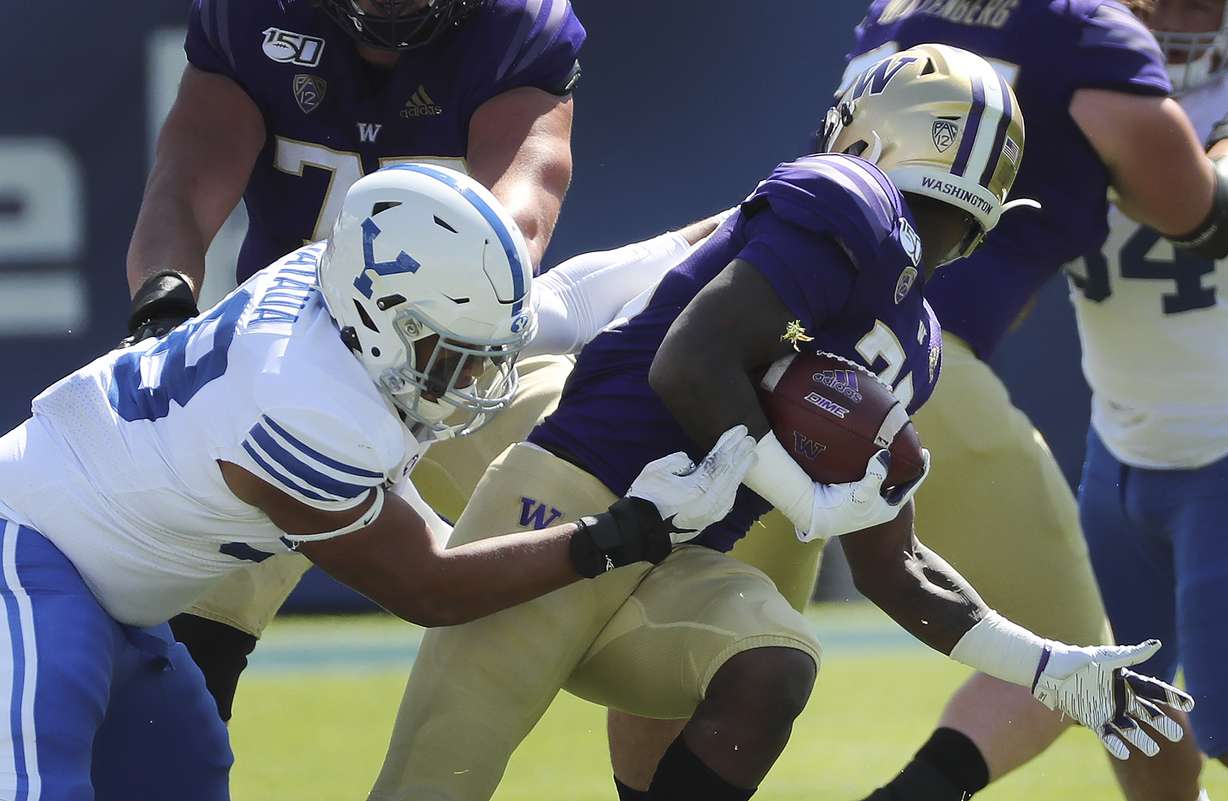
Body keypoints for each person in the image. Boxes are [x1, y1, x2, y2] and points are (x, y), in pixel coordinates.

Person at [365, 46, 1193, 801]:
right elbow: (688, 363)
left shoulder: (915, 334)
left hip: (674, 563)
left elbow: (894, 565)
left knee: (772, 662)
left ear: (873, 133)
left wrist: (1054, 670)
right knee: (430, 786)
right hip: (562, 512)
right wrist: (805, 499)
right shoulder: (853, 218)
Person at [0, 164, 756, 800]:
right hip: (30, 551)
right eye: (451, 354)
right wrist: (626, 531)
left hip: (116, 592)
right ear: (378, 317)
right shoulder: (307, 405)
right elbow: (429, 586)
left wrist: (758, 221)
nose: (474, 377)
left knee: (185, 771)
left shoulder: (350, 302)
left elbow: (571, 301)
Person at [661, 3, 1225, 801]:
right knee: (1078, 655)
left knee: (714, 643)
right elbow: (1196, 211)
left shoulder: (895, 15)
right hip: (910, 360)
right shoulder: (1086, 34)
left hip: (771, 351)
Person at [123, 0, 585, 721]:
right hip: (293, 361)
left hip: (456, 361)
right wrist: (163, 301)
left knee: (603, 465)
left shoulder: (519, 25)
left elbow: (516, 221)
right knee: (179, 644)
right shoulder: (251, 18)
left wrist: (437, 326)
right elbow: (184, 181)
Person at [1070, 0, 1228, 796]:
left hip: (1222, 456)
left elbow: (1205, 196)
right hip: (1117, 451)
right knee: (1134, 716)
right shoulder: (1072, 85)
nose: (1181, 16)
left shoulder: (1086, 102)